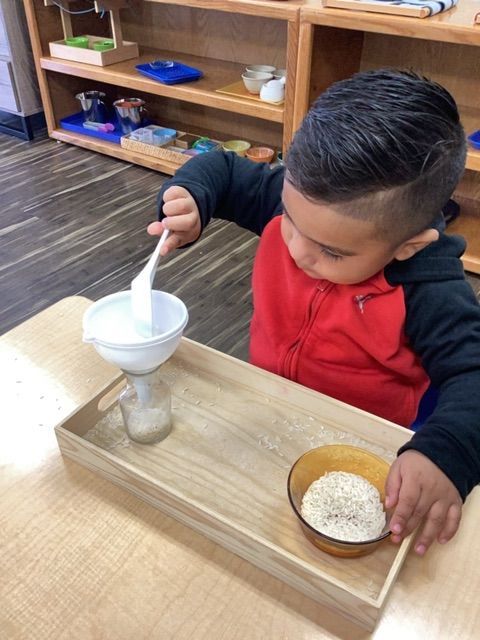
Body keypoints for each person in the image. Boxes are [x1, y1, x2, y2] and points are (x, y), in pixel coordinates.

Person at [148, 69, 480, 555]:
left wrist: (449, 454)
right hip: (270, 404)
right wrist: (190, 199)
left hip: (360, 442)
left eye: (334, 253)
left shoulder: (430, 286)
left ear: (407, 247)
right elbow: (220, 167)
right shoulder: (307, 202)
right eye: (289, 218)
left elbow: (473, 375)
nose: (299, 251)